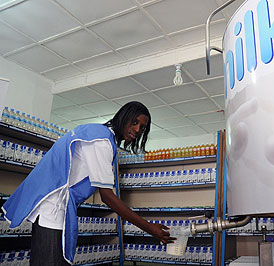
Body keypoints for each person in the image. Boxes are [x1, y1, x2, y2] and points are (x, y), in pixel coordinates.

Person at [1, 101, 175, 265]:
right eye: (134, 122)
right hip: (53, 210)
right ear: (123, 117)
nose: (137, 129)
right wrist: (148, 228)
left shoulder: (98, 133)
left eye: (142, 127)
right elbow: (107, 197)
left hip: (53, 208)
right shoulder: (102, 142)